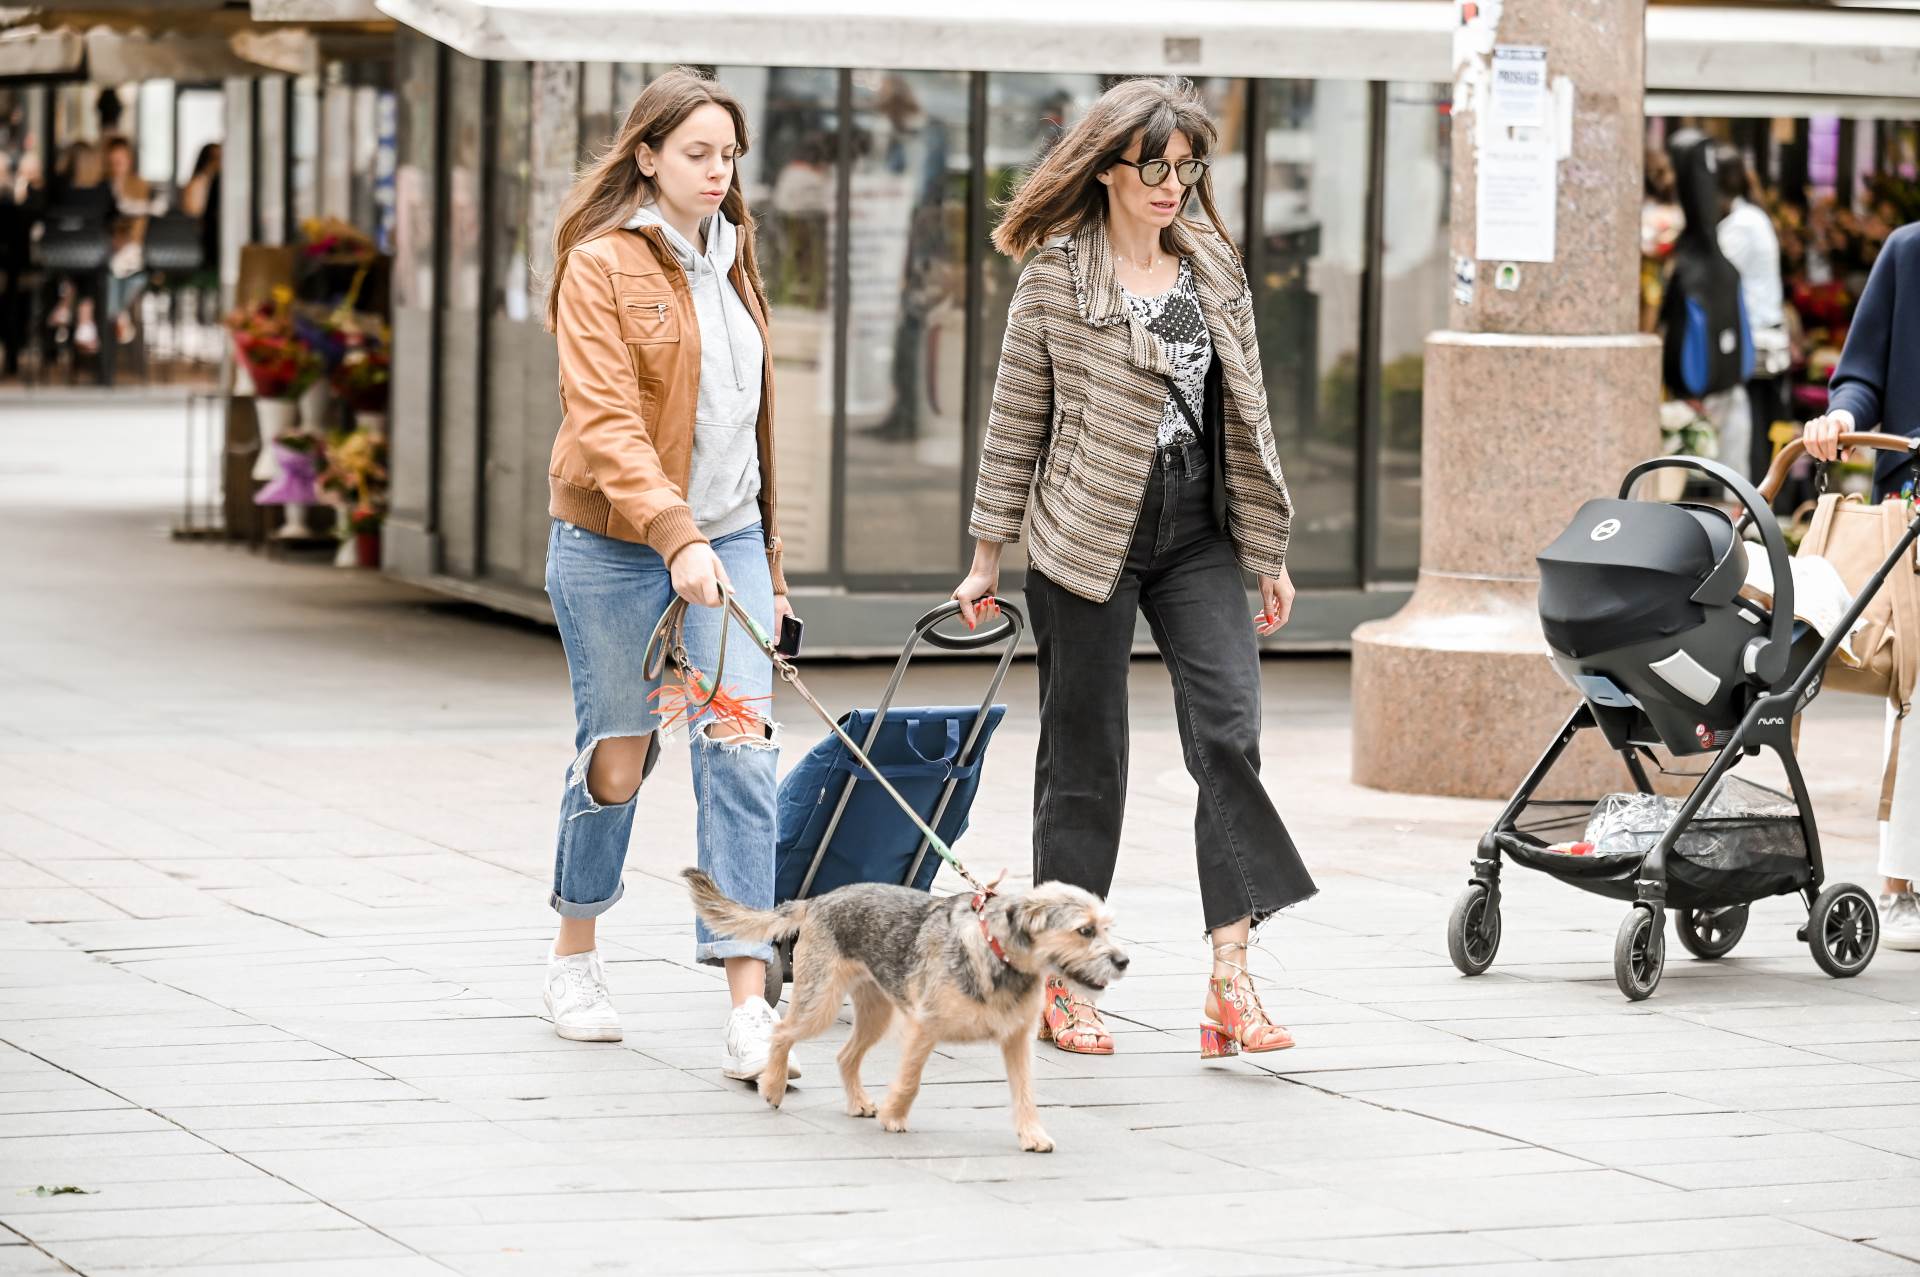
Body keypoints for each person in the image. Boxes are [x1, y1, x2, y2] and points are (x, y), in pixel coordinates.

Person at [953, 76, 1316, 1059]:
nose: (1172, 186)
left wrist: (1267, 549)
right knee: (1085, 757)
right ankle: (1068, 976)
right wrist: (986, 557)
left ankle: (1231, 978)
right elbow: (1014, 422)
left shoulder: (1210, 270)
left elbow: (1248, 414)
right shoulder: (1057, 280)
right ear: (1109, 166)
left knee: (1230, 733)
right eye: (1154, 167)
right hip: (1085, 535)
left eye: (1187, 167)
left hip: (1197, 528)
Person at [541, 67, 799, 1078]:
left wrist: (763, 565)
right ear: (647, 154)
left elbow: (748, 428)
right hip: (615, 540)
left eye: (728, 154)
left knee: (739, 748)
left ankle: (749, 998)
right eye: (697, 152)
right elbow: (604, 421)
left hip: (727, 538)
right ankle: (575, 954)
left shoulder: (736, 258)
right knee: (619, 752)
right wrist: (674, 532)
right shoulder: (601, 264)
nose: (717, 170)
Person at [1803, 221, 1920, 952]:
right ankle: (1901, 882)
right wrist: (1841, 417)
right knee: (1917, 684)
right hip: (1913, 506)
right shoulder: (1909, 251)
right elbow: (1862, 372)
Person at [1715, 145, 1789, 484]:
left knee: (1753, 435)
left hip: (1758, 343)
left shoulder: (1741, 225)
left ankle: (1759, 512)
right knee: (1757, 432)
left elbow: (1716, 277)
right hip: (1762, 339)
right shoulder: (1750, 218)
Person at [103, 135, 163, 347]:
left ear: (130, 160)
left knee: (124, 273)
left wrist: (129, 240)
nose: (118, 165)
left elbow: (144, 217)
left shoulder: (140, 186)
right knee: (117, 273)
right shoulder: (103, 185)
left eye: (122, 160)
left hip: (133, 248)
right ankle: (120, 316)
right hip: (110, 247)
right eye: (114, 161)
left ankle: (116, 315)